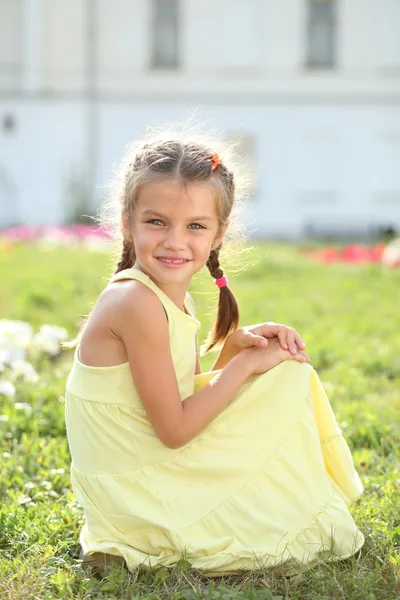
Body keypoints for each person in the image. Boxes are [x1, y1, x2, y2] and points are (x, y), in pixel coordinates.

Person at [64, 128, 365, 579]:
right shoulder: (135, 302)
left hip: (143, 465)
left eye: (195, 226)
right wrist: (244, 367)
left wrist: (234, 352)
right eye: (156, 222)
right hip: (135, 490)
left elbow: (186, 395)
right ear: (126, 221)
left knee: (281, 374)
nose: (175, 241)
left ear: (219, 233)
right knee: (286, 381)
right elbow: (176, 429)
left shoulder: (165, 298)